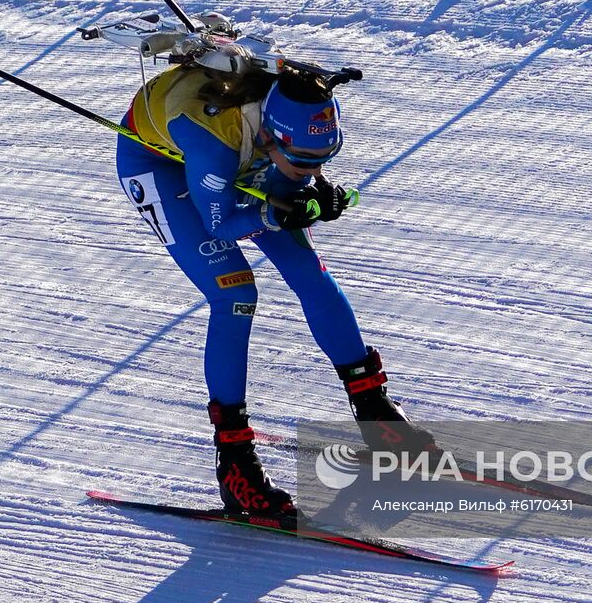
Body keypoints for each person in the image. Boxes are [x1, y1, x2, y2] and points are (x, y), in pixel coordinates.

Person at [115, 58, 434, 516]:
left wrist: (314, 190)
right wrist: (273, 212)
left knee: (309, 272)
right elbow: (219, 224)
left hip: (247, 156)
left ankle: (376, 413)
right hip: (159, 166)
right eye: (305, 162)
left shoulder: (283, 118)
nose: (311, 171)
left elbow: (297, 169)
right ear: (270, 134)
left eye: (323, 160)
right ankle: (235, 463)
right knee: (236, 295)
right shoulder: (216, 142)